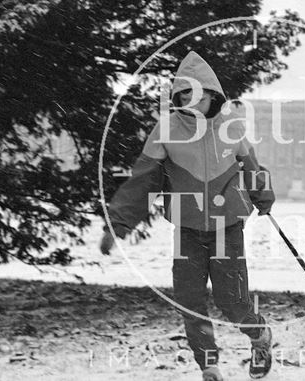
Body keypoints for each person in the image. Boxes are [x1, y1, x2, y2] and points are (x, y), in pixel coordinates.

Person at [100, 51, 275, 381]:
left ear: (212, 94)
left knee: (232, 302)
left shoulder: (231, 128)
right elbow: (143, 179)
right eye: (184, 95)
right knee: (190, 301)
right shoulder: (166, 129)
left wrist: (263, 196)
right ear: (177, 97)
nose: (192, 101)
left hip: (228, 228)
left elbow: (251, 168)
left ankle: (259, 336)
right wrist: (119, 222)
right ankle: (209, 365)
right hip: (187, 230)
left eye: (199, 94)